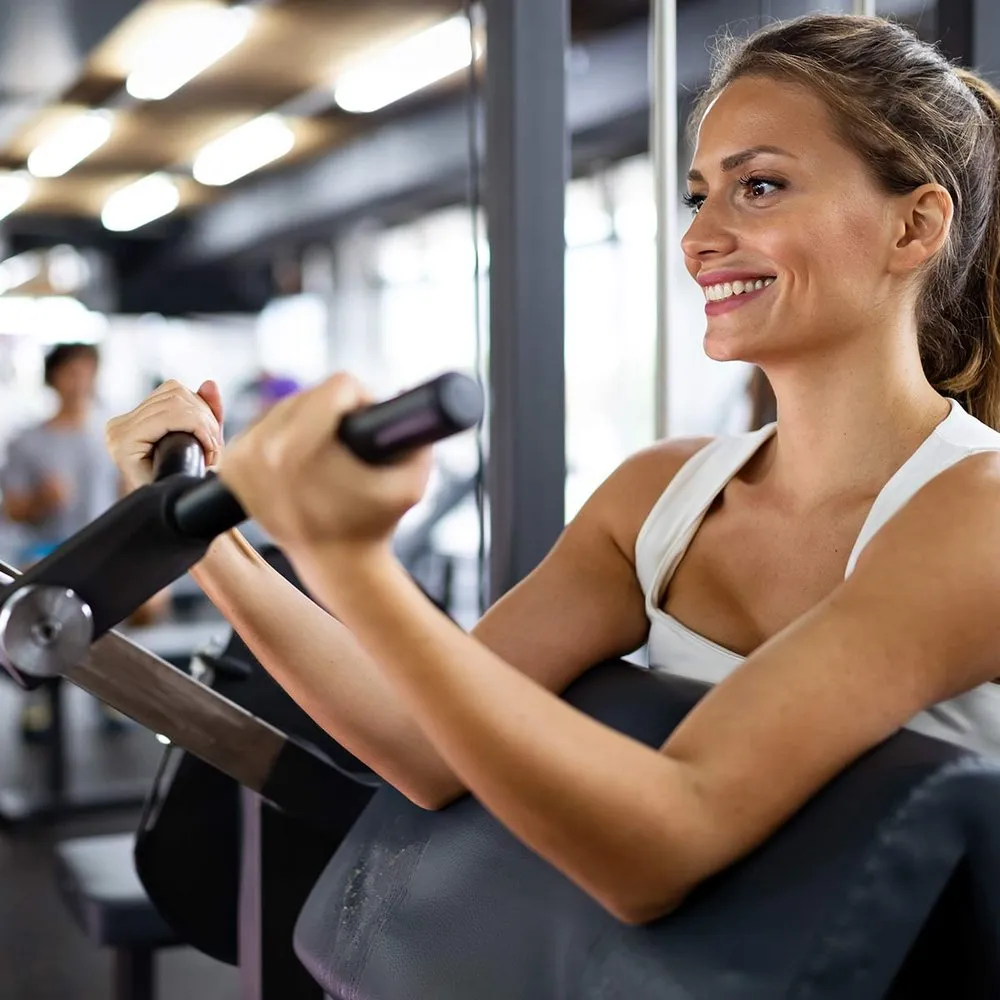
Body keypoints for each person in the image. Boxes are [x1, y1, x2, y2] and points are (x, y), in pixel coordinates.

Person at [106, 13, 1000, 926]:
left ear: (914, 225)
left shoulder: (977, 511)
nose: (699, 240)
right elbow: (425, 743)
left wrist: (347, 558)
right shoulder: (661, 496)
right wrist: (198, 530)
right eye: (698, 198)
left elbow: (664, 842)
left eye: (759, 187)